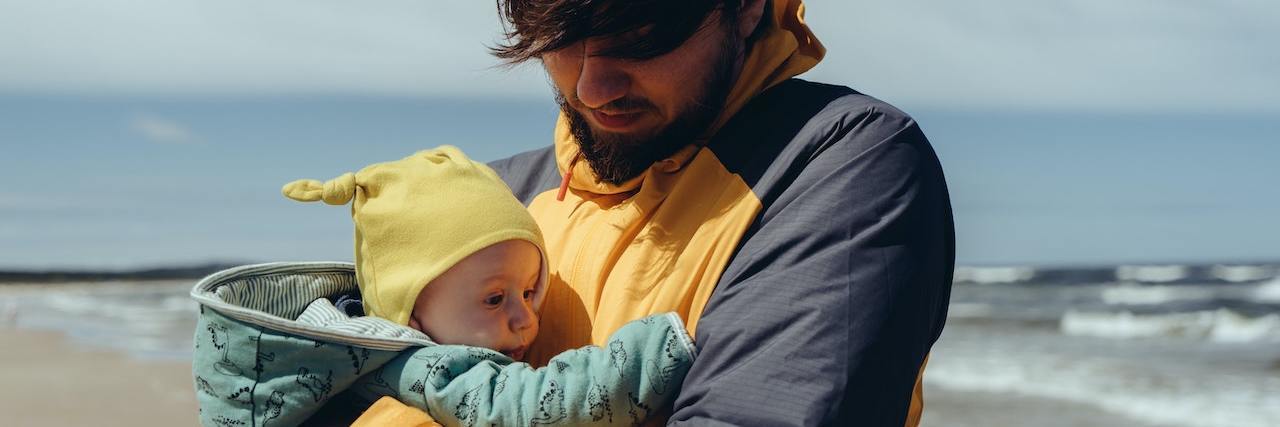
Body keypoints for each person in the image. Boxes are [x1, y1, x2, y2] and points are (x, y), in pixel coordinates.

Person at [363, 0, 954, 425]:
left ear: (746, 7)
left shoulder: (838, 163)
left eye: (639, 33)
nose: (592, 88)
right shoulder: (495, 199)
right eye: (560, 37)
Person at [196, 146, 697, 426]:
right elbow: (524, 408)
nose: (526, 319)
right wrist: (656, 350)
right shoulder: (409, 360)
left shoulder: (354, 336)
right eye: (495, 299)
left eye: (530, 291)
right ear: (411, 313)